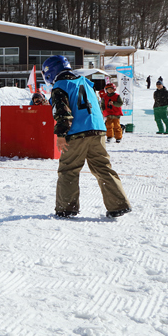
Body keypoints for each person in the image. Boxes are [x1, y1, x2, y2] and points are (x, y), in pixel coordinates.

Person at [42, 56, 131, 219]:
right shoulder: (84, 81)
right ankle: (118, 204)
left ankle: (66, 208)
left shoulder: (60, 86)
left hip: (77, 132)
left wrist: (61, 135)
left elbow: (62, 113)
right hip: (98, 129)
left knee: (68, 169)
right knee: (103, 167)